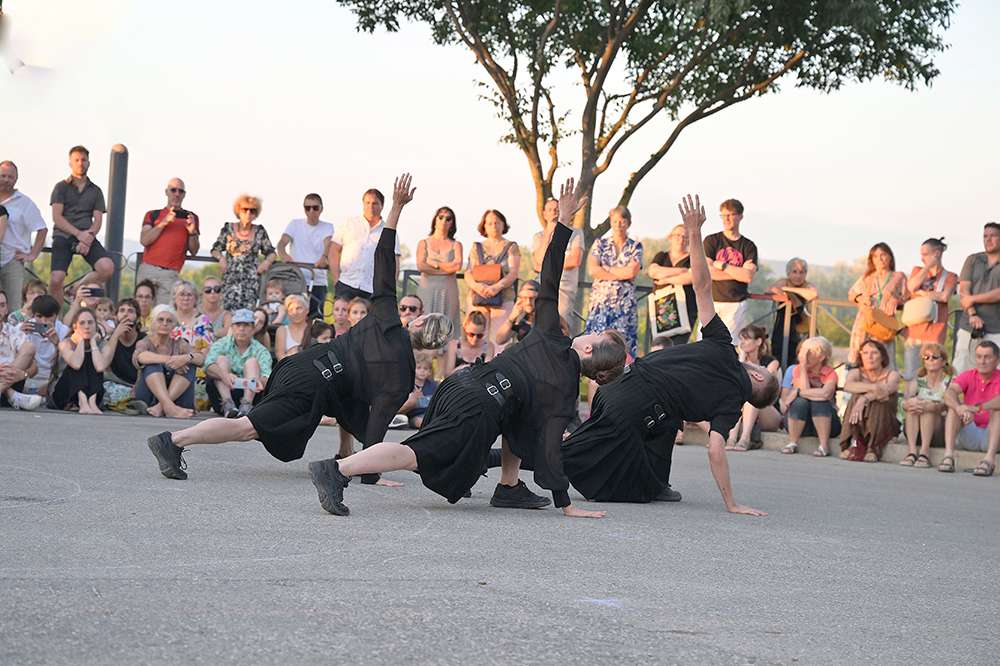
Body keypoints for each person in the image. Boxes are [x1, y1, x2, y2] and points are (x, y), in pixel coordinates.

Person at [306, 177, 626, 518]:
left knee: (520, 416)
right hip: (477, 403)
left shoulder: (550, 333)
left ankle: (508, 486)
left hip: (462, 384)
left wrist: (562, 223)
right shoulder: (564, 391)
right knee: (417, 452)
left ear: (589, 351)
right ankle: (336, 471)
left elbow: (549, 275)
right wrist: (566, 504)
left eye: (592, 336)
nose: (586, 334)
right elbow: (550, 447)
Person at [145, 174, 453, 485]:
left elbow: (383, 259)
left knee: (281, 424)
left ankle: (342, 456)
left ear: (417, 321)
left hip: (302, 365)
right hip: (312, 383)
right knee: (248, 428)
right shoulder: (402, 376)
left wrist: (397, 207)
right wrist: (370, 473)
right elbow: (376, 425)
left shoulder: (386, 317)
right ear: (429, 346)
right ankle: (172, 441)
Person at [560, 194, 779, 515]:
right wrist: (731, 503)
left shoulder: (722, 347)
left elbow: (702, 288)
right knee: (568, 456)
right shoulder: (730, 407)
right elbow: (716, 450)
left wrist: (694, 234)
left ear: (758, 375)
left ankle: (656, 482)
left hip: (621, 388)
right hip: (632, 407)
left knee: (666, 422)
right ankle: (501, 461)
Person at [48, 146, 115, 305]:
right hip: (64, 235)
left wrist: (88, 238)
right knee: (56, 279)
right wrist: (79, 235)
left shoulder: (96, 191)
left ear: (89, 163)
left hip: (87, 235)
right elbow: (57, 217)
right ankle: (56, 321)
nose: (80, 163)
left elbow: (98, 220)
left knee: (107, 267)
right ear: (70, 163)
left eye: (84, 160)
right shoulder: (61, 187)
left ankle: (76, 288)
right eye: (77, 160)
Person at [585, 206, 643, 357]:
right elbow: (592, 270)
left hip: (624, 306)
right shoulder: (600, 244)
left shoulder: (635, 246)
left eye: (622, 221)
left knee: (623, 346)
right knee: (597, 345)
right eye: (615, 221)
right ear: (610, 222)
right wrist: (620, 273)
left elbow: (631, 272)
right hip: (601, 304)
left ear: (628, 223)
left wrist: (605, 269)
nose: (618, 224)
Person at [939, 340, 1000, 476]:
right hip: (970, 432)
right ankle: (948, 456)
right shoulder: (968, 375)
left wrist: (978, 408)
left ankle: (989, 461)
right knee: (953, 409)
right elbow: (949, 393)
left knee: (997, 411)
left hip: (994, 436)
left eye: (987, 357)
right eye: (979, 357)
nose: (982, 361)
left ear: (997, 360)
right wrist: (959, 408)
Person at [328, 187, 401, 300]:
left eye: (375, 203)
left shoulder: (388, 231)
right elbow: (333, 251)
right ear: (363, 204)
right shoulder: (349, 223)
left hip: (372, 288)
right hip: (346, 283)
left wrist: (387, 289)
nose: (371, 207)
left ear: (382, 206)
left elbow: (394, 263)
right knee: (341, 317)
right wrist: (336, 279)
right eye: (367, 203)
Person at [703, 199, 758, 345]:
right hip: (711, 300)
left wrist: (721, 266)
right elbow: (706, 272)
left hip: (735, 304)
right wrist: (736, 273)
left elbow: (747, 276)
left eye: (731, 215)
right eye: (723, 215)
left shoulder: (748, 246)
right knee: (703, 343)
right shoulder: (711, 241)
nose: (726, 219)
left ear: (740, 216)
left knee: (728, 344)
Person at [901, 238, 957, 380]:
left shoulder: (950, 276)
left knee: (932, 376)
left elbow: (944, 296)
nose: (922, 258)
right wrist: (927, 268)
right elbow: (912, 287)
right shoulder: (918, 271)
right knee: (910, 376)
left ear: (936, 253)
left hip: (934, 333)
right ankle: (910, 402)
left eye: (925, 254)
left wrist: (923, 294)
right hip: (913, 332)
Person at [137, 178, 200, 305]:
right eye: (173, 190)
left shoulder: (191, 217)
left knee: (165, 314)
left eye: (180, 191)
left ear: (184, 195)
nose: (177, 194)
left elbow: (194, 251)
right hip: (148, 269)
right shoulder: (153, 214)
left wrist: (192, 232)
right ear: (166, 192)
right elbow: (144, 240)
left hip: (170, 274)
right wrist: (163, 223)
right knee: (141, 310)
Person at [210, 194, 276, 311]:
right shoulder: (228, 229)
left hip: (250, 282)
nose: (248, 213)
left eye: (252, 211)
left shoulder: (259, 231)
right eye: (245, 209)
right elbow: (215, 249)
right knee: (228, 315)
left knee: (247, 317)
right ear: (238, 211)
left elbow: (271, 252)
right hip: (230, 281)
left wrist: (266, 262)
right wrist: (221, 258)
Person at [132, 304, 200, 418]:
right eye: (160, 320)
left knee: (190, 364)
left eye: (169, 321)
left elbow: (201, 358)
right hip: (149, 398)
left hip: (179, 400)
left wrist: (186, 358)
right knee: (152, 363)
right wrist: (172, 360)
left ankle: (161, 407)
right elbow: (140, 356)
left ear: (174, 325)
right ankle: (169, 406)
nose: (164, 323)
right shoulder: (145, 342)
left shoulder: (180, 343)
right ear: (153, 323)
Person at [203, 308, 273, 418]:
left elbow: (267, 374)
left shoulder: (261, 350)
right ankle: (228, 404)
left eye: (246, 325)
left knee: (252, 362)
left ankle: (246, 405)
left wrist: (261, 381)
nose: (241, 329)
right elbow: (208, 365)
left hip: (251, 393)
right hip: (223, 393)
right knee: (221, 360)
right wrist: (225, 375)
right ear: (232, 327)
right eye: (238, 325)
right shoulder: (221, 344)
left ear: (253, 328)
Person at [465, 209, 520, 346]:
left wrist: (496, 287)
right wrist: (478, 287)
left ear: (503, 224)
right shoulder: (476, 247)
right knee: (476, 337)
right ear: (484, 226)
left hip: (503, 297)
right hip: (478, 296)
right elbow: (468, 272)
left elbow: (513, 273)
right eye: (489, 223)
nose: (494, 226)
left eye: (497, 222)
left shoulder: (511, 247)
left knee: (498, 340)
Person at [779, 336, 841, 457]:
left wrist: (797, 392)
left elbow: (826, 394)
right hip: (801, 423)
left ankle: (824, 446)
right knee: (800, 402)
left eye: (809, 352)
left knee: (820, 402)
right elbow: (806, 391)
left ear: (821, 357)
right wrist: (802, 367)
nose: (803, 356)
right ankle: (792, 442)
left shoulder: (830, 373)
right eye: (803, 351)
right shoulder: (796, 370)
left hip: (828, 424)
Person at [839, 339, 901, 462]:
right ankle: (853, 442)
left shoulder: (892, 375)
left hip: (885, 422)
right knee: (855, 397)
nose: (869, 357)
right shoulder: (855, 372)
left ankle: (873, 448)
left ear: (882, 356)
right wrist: (873, 387)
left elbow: (886, 391)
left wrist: (865, 398)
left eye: (874, 353)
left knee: (878, 401)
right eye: (865, 353)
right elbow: (848, 386)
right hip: (860, 421)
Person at [847, 243, 906, 367]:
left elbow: (908, 297)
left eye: (883, 255)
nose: (879, 259)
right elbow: (851, 294)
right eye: (875, 256)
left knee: (883, 359)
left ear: (890, 256)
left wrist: (897, 300)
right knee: (859, 358)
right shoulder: (867, 277)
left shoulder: (898, 276)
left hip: (884, 322)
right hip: (865, 321)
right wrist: (861, 298)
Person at [0, 160, 47, 312]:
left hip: (12, 260)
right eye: (3, 176)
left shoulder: (25, 203)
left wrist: (33, 254)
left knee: (13, 307)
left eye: (10, 177)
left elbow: (42, 229)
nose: (6, 180)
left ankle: (11, 336)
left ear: (16, 179)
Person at [277, 193, 333, 319]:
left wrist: (324, 257)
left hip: (317, 279)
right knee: (293, 316)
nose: (311, 211)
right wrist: (284, 255)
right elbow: (281, 243)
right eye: (307, 208)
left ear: (321, 209)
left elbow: (328, 243)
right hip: (296, 279)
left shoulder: (327, 227)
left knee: (316, 317)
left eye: (315, 208)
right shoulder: (294, 224)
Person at [726, 325, 782, 451]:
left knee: (753, 395)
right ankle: (731, 438)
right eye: (741, 339)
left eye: (746, 339)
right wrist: (741, 359)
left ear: (758, 342)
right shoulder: (737, 361)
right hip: (742, 414)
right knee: (740, 396)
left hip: (768, 412)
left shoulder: (771, 362)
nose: (742, 343)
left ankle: (745, 439)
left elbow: (763, 385)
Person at [531, 198, 584, 331]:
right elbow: (537, 262)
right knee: (540, 326)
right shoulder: (538, 237)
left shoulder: (576, 233)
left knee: (562, 328)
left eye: (557, 209)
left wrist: (548, 264)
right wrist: (548, 233)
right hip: (543, 287)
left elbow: (575, 260)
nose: (554, 212)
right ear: (544, 214)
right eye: (550, 209)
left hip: (564, 289)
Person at [954, 223, 1000, 373]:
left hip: (996, 328)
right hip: (969, 326)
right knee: (961, 370)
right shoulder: (973, 259)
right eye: (985, 236)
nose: (988, 240)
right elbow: (964, 290)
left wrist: (973, 299)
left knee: (995, 375)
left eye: (993, 236)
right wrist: (973, 313)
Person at [51, 307, 116, 414]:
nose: (86, 326)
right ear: (75, 327)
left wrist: (93, 343)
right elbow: (76, 364)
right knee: (78, 361)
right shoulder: (65, 344)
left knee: (94, 359)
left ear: (96, 326)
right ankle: (83, 401)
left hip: (94, 392)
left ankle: (92, 402)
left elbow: (100, 367)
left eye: (90, 323)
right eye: (82, 323)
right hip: (65, 394)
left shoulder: (104, 345)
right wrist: (80, 341)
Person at [899, 343, 952, 468]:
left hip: (939, 433)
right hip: (914, 432)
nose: (930, 360)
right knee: (913, 406)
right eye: (926, 357)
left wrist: (934, 406)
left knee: (927, 409)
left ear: (943, 361)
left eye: (934, 357)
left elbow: (950, 406)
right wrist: (908, 404)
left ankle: (924, 453)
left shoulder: (950, 381)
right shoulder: (917, 381)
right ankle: (912, 452)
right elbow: (904, 402)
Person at [416, 206, 463, 338]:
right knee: (424, 325)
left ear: (452, 223)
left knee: (446, 326)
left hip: (448, 290)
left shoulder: (456, 244)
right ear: (435, 220)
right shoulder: (423, 243)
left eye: (448, 219)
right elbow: (421, 266)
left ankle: (446, 356)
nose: (444, 221)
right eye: (441, 217)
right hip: (427, 289)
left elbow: (457, 266)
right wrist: (445, 269)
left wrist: (434, 264)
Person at [648, 223, 695, 348]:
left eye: (685, 237)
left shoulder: (693, 258)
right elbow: (653, 271)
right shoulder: (661, 256)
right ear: (670, 237)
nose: (681, 239)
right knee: (657, 348)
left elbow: (691, 277)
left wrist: (665, 280)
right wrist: (682, 271)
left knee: (677, 349)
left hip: (685, 311)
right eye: (678, 235)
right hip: (660, 310)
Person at [768, 257, 818, 368]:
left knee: (800, 360)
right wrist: (784, 290)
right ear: (788, 273)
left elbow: (813, 294)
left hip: (803, 330)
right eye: (794, 272)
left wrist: (788, 290)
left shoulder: (807, 285)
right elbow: (771, 289)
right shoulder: (784, 281)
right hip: (783, 327)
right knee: (778, 356)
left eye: (802, 272)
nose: (798, 276)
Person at [19, 294, 70, 397]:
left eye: (48, 316)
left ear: (56, 315)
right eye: (39, 316)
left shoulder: (64, 331)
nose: (43, 321)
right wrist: (19, 335)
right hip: (26, 377)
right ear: (33, 315)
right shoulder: (24, 327)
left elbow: (67, 364)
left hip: (51, 381)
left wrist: (58, 344)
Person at [0, 289, 43, 410]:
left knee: (29, 347)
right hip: (9, 384)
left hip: (13, 381)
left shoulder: (13, 331)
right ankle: (12, 395)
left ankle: (3, 388)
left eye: (2, 305)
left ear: (6, 309)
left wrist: (23, 374)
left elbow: (34, 367)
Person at [104, 298, 143, 388]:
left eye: (130, 311)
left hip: (138, 386)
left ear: (137, 318)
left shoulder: (145, 339)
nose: (125, 314)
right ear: (116, 316)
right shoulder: (110, 340)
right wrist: (115, 335)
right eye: (122, 310)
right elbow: (104, 364)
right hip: (116, 385)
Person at [442, 310, 495, 377]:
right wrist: (460, 370)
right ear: (465, 329)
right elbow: (447, 375)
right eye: (471, 334)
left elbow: (487, 374)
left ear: (484, 331)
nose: (475, 339)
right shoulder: (454, 345)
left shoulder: (488, 347)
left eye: (479, 336)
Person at [170, 280, 215, 357]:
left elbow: (208, 350)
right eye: (182, 294)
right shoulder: (167, 319)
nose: (186, 298)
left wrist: (188, 358)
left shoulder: (204, 321)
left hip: (196, 364)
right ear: (174, 298)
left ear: (195, 299)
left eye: (189, 295)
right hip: (169, 363)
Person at [494, 280, 540, 346]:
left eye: (532, 298)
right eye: (525, 298)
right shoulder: (520, 317)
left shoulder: (547, 314)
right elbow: (499, 340)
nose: (528, 302)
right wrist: (512, 318)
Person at [397, 355, 438, 428]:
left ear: (429, 372)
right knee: (419, 421)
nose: (422, 371)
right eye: (419, 368)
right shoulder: (408, 384)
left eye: (425, 369)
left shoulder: (433, 386)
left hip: (427, 414)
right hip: (414, 415)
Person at [275, 294, 311, 360]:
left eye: (299, 308)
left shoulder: (313, 328)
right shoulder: (282, 330)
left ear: (307, 310)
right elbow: (280, 356)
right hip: (290, 367)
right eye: (291, 310)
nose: (295, 313)